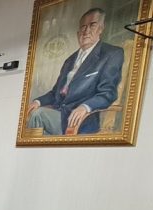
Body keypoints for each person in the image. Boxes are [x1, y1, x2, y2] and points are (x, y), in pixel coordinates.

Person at [27, 7, 124, 135]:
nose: (86, 31)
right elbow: (55, 93)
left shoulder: (111, 54)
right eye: (83, 27)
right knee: (34, 113)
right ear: (78, 33)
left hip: (81, 120)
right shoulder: (70, 60)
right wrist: (37, 101)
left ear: (101, 28)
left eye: (92, 25)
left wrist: (85, 107)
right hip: (60, 115)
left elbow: (107, 93)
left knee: (38, 115)